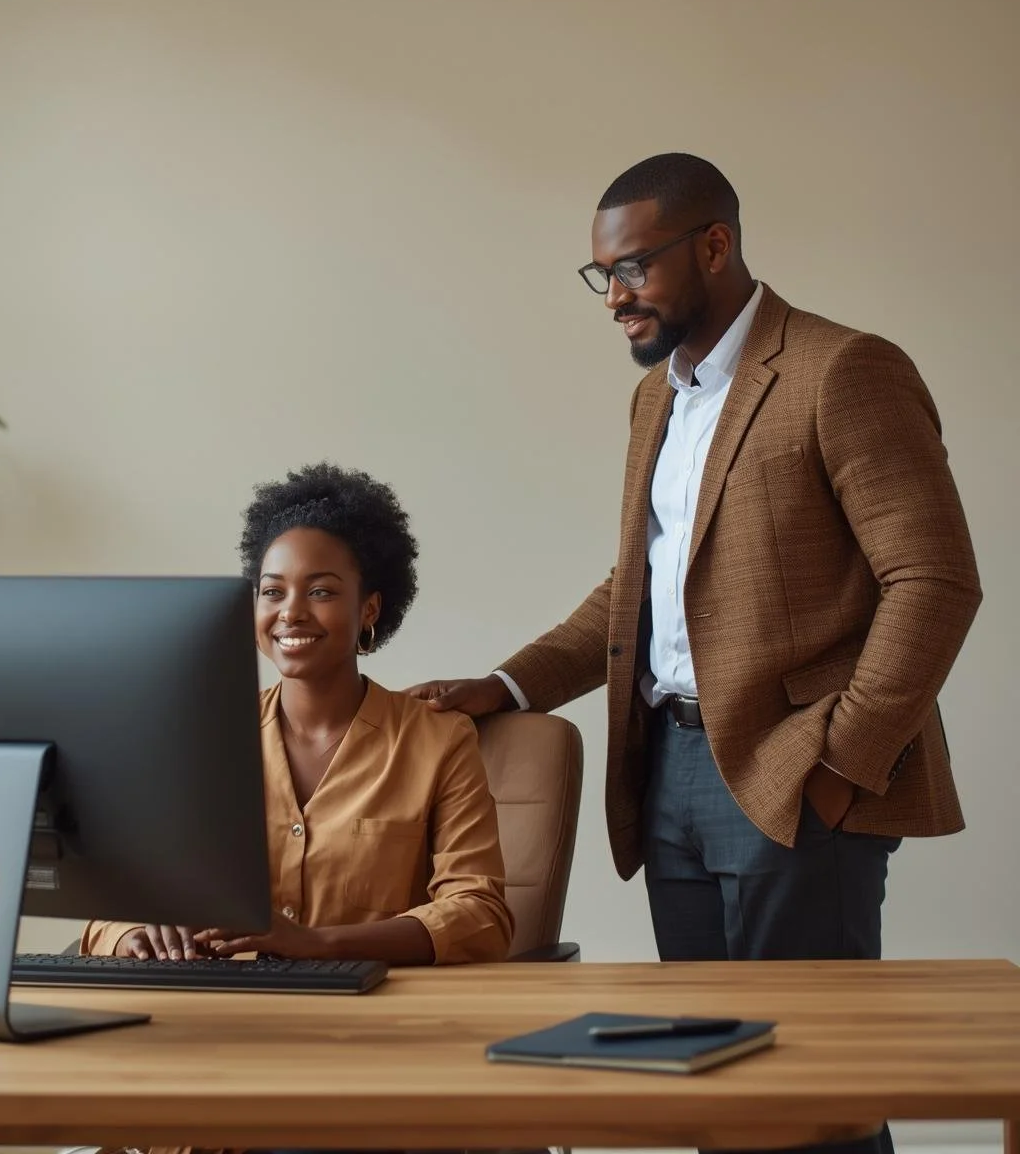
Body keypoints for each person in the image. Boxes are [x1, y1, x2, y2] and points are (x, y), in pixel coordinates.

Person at [409, 153, 981, 1154]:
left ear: (714, 245)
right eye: (603, 276)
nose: (614, 298)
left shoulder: (843, 370)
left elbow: (934, 581)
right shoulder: (658, 401)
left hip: (796, 772)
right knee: (713, 1080)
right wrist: (505, 685)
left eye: (632, 269)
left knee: (813, 1092)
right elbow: (638, 592)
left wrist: (842, 766)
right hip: (666, 770)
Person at [82, 461, 513, 968]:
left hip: (372, 1021)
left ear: (369, 609)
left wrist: (321, 944)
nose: (291, 612)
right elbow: (109, 904)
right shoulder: (198, 739)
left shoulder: (438, 740)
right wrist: (132, 932)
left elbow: (481, 916)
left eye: (321, 591)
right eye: (272, 591)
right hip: (220, 1021)